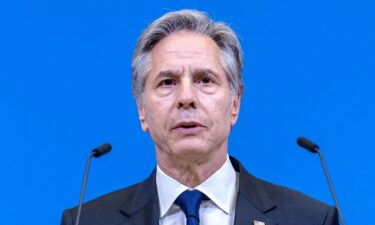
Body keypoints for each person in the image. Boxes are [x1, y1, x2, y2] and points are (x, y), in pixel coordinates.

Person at [61, 9, 339, 225]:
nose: (186, 97)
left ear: (235, 104)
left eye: (205, 80)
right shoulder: (87, 220)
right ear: (142, 110)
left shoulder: (310, 219)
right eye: (167, 82)